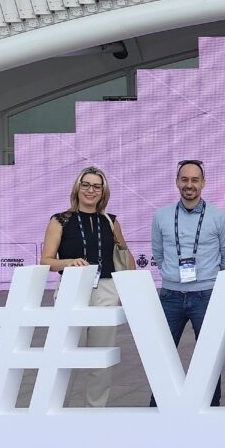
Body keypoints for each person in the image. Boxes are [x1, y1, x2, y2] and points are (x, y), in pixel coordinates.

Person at [40, 166, 132, 407]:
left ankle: (95, 411)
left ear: (103, 192)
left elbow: (125, 256)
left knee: (100, 358)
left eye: (97, 186)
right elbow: (46, 261)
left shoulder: (111, 221)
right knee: (64, 354)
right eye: (86, 185)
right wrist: (68, 262)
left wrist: (127, 288)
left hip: (106, 290)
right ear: (77, 188)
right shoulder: (60, 220)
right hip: (72, 289)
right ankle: (56, 409)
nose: (91, 190)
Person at [149, 160, 225, 407]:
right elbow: (158, 253)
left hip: (205, 296)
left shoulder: (220, 216)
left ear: (203, 183)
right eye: (184, 179)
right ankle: (157, 409)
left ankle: (212, 408)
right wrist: (172, 274)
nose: (189, 185)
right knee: (161, 356)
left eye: (195, 180)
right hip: (170, 296)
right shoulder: (161, 215)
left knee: (210, 357)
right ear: (177, 182)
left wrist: (207, 276)